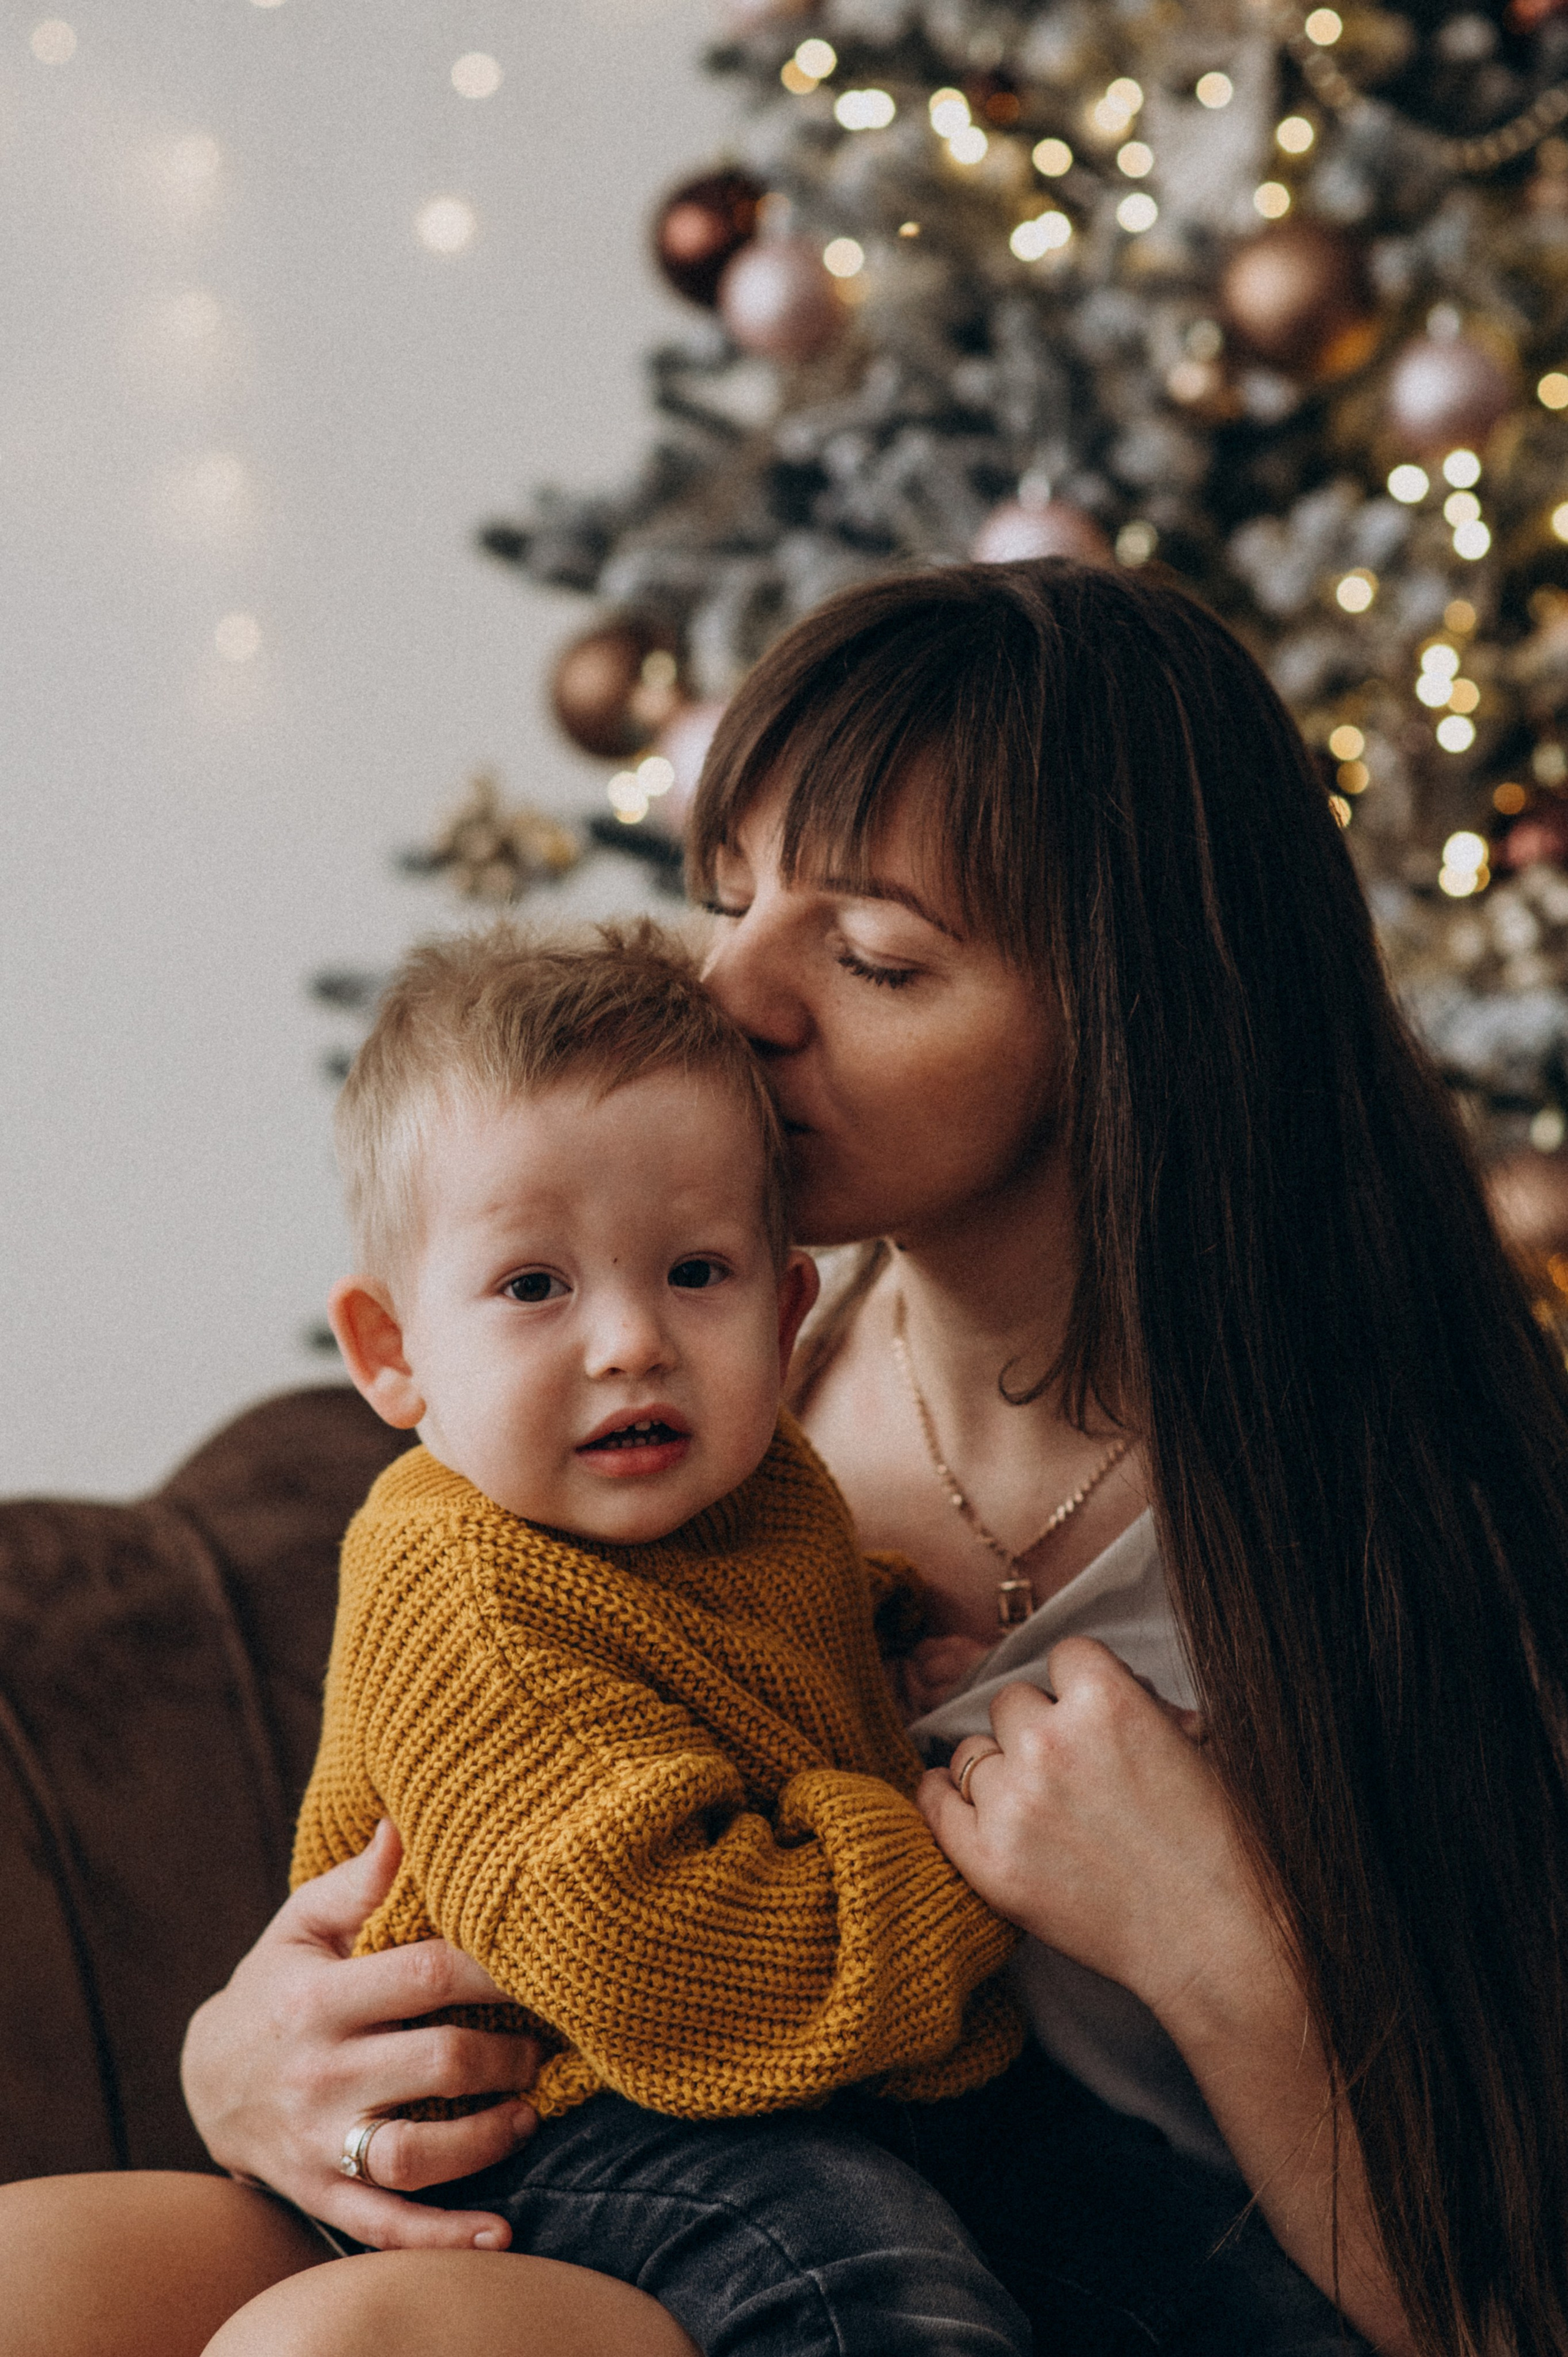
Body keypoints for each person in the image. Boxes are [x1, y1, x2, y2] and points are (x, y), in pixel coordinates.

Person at [6, 558, 1567, 2356]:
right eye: (728, 895)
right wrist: (248, 2063)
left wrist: (1220, 1944)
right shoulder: (717, 1380)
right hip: (639, 2175)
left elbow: (1503, 2310)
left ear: (1132, 1019)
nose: (735, 991)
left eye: (876, 951)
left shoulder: (1390, 1527)